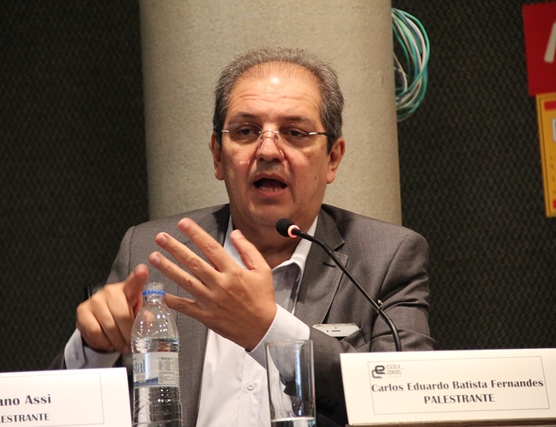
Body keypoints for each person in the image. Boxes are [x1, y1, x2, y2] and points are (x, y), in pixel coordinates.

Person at [53, 47, 434, 426]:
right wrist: (94, 347)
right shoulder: (151, 251)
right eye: (246, 131)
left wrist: (267, 329)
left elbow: (410, 402)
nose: (268, 150)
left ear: (332, 158)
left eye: (295, 133)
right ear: (218, 155)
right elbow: (61, 410)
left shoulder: (386, 258)